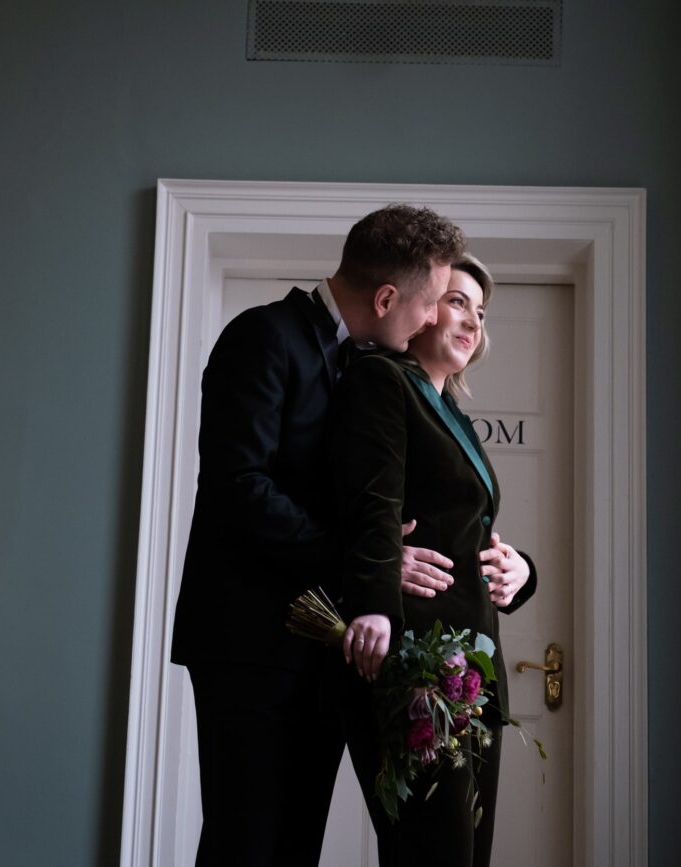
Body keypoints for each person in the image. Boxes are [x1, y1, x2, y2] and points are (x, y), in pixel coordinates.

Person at [170, 204, 465, 866]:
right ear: (386, 297)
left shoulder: (367, 370)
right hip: (248, 648)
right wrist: (366, 562)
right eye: (426, 305)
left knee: (295, 848)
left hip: (318, 653)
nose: (430, 321)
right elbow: (238, 486)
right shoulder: (264, 337)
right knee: (244, 846)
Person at [331, 254, 537, 866]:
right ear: (420, 310)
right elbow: (373, 508)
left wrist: (522, 570)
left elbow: (464, 530)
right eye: (456, 301)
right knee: (431, 853)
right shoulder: (382, 382)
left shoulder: (456, 417)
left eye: (481, 309)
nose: (472, 319)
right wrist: (374, 595)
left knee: (468, 854)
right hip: (419, 662)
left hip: (474, 667)